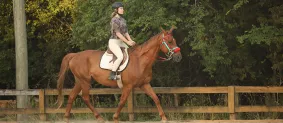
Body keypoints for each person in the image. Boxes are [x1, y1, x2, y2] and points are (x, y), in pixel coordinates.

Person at [108, 2, 136, 80]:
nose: (123, 10)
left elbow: (125, 32)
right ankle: (112, 74)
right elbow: (118, 34)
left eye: (122, 8)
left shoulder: (123, 20)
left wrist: (131, 40)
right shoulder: (114, 20)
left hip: (121, 42)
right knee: (120, 56)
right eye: (121, 8)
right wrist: (127, 42)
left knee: (131, 52)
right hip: (114, 42)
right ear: (116, 10)